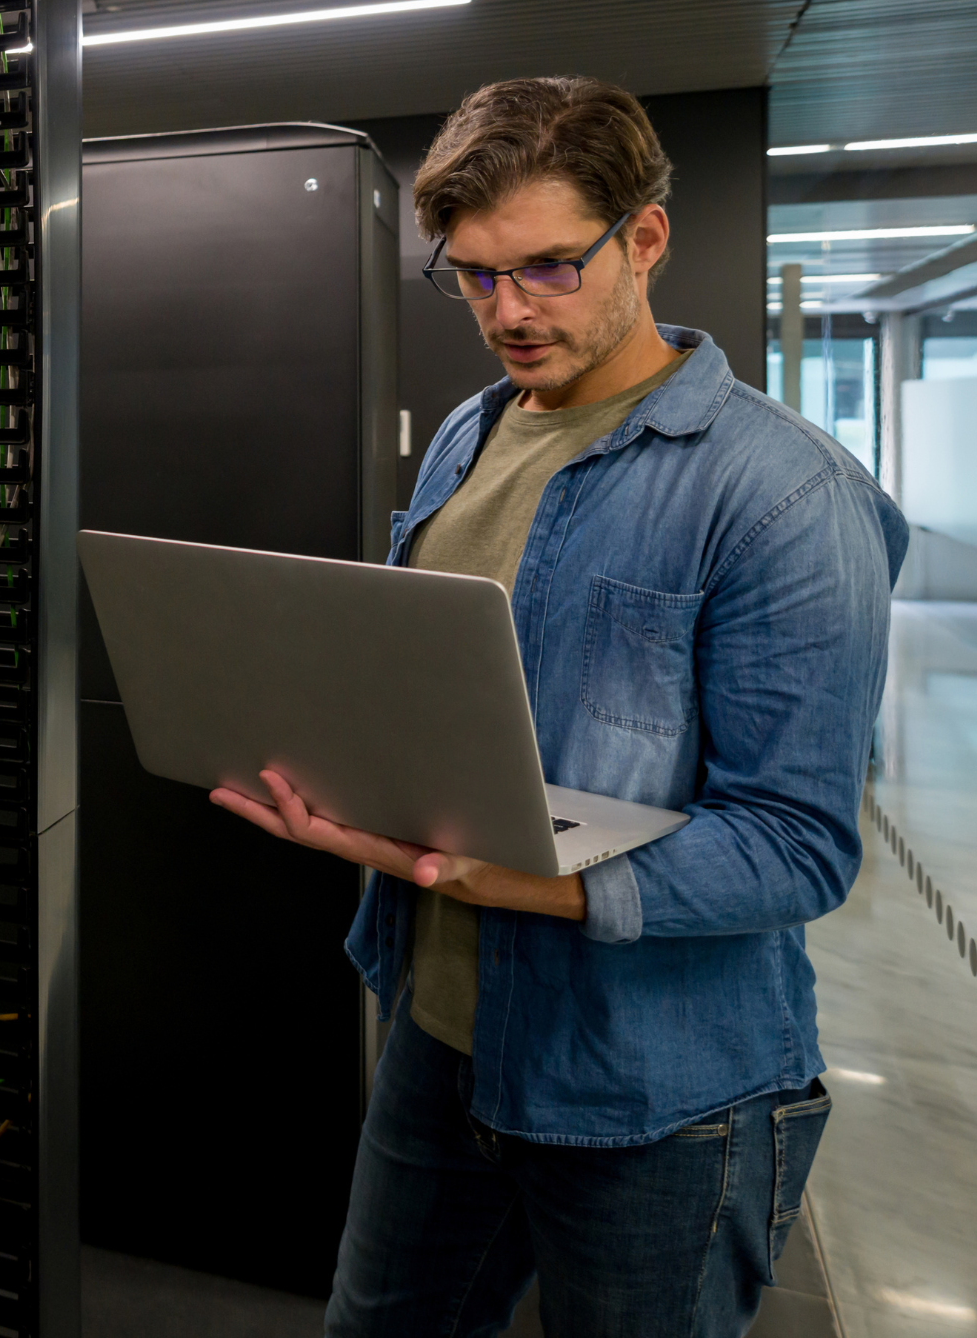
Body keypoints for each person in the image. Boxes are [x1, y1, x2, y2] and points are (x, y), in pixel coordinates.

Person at [209, 77, 906, 1338]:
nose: (505, 313)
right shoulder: (469, 436)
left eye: (545, 269)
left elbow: (800, 846)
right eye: (472, 276)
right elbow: (440, 700)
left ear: (645, 238)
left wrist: (523, 882)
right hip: (439, 1032)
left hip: (660, 1091)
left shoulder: (788, 497)